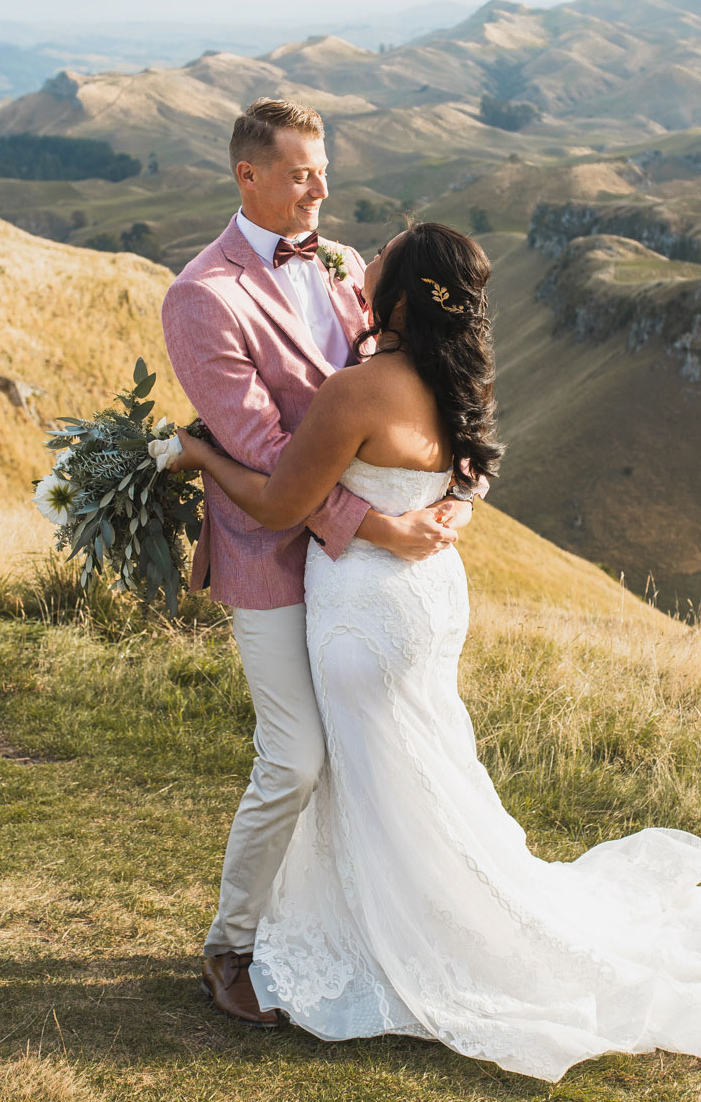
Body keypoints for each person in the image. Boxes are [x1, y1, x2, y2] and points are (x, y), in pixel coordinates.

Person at [163, 222, 701, 1082]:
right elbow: (465, 482)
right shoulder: (454, 378)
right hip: (430, 601)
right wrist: (441, 511)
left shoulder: (359, 391)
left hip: (363, 612)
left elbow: (285, 502)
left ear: (399, 296)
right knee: (418, 771)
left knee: (380, 776)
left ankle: (403, 939)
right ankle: (419, 917)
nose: (363, 254)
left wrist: (198, 455)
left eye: (385, 252)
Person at [160, 98, 473, 1030]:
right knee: (293, 758)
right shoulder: (201, 298)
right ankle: (231, 942)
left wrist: (446, 493)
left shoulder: (339, 266)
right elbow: (261, 454)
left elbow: (415, 387)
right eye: (302, 173)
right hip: (270, 555)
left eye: (323, 168)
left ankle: (343, 928)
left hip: (357, 585)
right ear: (247, 175)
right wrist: (380, 526)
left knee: (361, 757)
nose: (323, 189)